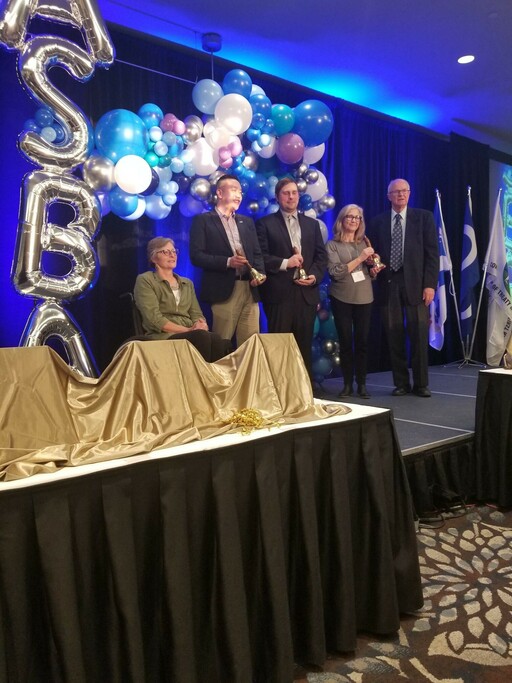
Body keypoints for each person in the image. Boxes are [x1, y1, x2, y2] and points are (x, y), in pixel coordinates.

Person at [368, 178, 439, 397]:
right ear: (388, 196)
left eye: (404, 191)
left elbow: (432, 255)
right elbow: (373, 254)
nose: (400, 195)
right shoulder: (378, 221)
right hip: (388, 285)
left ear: (409, 193)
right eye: (396, 192)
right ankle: (401, 383)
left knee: (418, 333)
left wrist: (430, 285)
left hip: (417, 285)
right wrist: (373, 265)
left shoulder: (424, 217)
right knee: (394, 334)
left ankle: (421, 384)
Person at [255, 177, 327, 379]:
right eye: (286, 193)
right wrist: (287, 263)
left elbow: (322, 258)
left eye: (294, 192)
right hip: (279, 295)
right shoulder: (265, 224)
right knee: (279, 346)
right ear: (278, 197)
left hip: (306, 294)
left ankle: (305, 391)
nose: (291, 197)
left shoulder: (312, 225)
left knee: (304, 345)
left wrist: (313, 276)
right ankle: (279, 390)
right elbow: (261, 257)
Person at [189, 174, 266, 348]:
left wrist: (259, 273)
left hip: (250, 288)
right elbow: (196, 255)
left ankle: (247, 376)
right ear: (220, 193)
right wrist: (228, 262)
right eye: (233, 190)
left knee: (251, 344)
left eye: (240, 191)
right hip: (224, 290)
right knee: (221, 343)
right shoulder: (203, 221)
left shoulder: (246, 222)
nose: (239, 195)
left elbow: (257, 253)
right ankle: (218, 376)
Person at [134, 237, 230, 362]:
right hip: (163, 334)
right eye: (165, 252)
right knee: (201, 337)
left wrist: (201, 324)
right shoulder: (145, 280)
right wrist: (189, 330)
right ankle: (197, 379)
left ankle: (213, 380)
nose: (172, 255)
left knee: (215, 338)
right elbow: (154, 319)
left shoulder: (186, 283)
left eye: (174, 251)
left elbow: (196, 313)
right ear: (153, 258)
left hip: (191, 331)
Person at [327, 204, 377, 399]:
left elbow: (367, 273)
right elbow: (336, 273)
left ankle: (362, 384)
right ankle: (347, 384)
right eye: (350, 217)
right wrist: (361, 258)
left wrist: (373, 270)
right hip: (342, 297)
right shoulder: (332, 245)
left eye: (358, 218)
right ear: (342, 219)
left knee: (362, 342)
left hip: (365, 297)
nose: (354, 220)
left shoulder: (363, 243)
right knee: (346, 342)